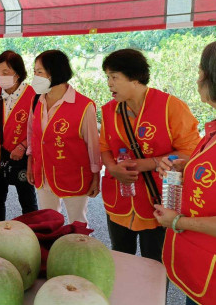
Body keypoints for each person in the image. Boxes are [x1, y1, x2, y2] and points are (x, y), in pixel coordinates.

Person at [100, 48, 200, 262]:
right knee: (120, 258)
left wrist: (144, 164)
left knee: (154, 264)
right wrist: (111, 168)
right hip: (120, 202)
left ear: (135, 79)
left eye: (114, 77)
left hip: (157, 202)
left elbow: (190, 151)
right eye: (107, 77)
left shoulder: (171, 107)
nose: (109, 83)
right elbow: (104, 147)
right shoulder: (109, 110)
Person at [154, 42, 216, 305]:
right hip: (202, 263)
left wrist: (177, 222)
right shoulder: (213, 129)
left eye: (200, 71)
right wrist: (188, 164)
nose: (198, 77)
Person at [26, 50, 101, 224]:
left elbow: (93, 146)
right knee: (48, 222)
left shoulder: (84, 106)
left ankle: (80, 251)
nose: (35, 76)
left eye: (39, 72)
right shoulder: (37, 100)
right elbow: (32, 135)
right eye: (34, 71)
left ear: (55, 72)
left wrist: (96, 176)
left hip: (73, 175)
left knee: (77, 223)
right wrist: (30, 161)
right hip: (43, 172)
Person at [0, 50, 38, 220]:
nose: (0, 76)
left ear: (18, 74)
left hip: (22, 157)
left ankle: (34, 235)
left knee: (28, 201)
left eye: (6, 72)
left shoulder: (33, 96)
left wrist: (23, 145)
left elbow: (39, 130)